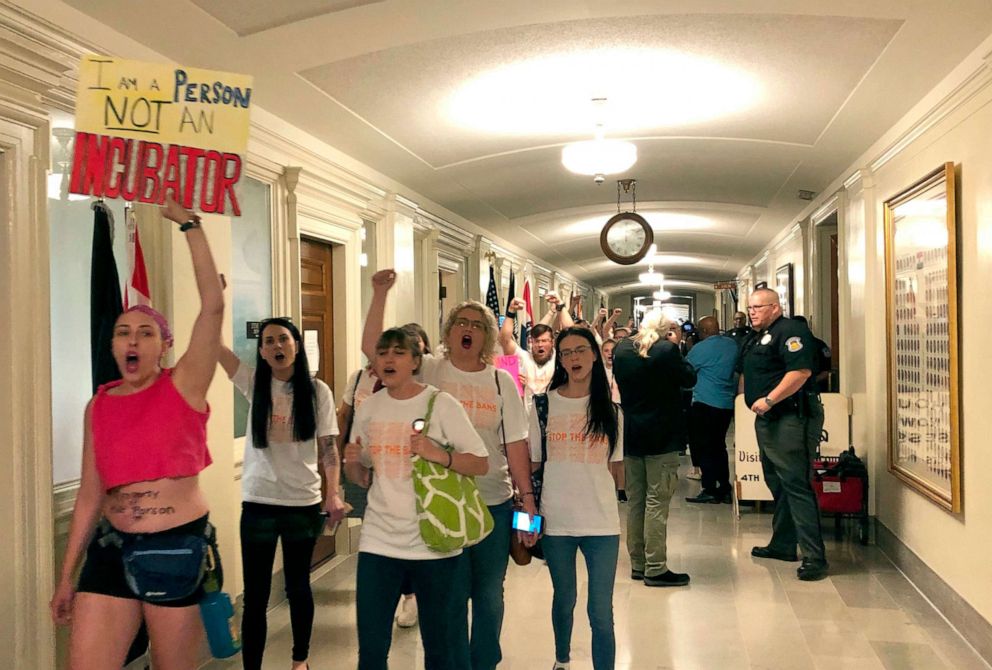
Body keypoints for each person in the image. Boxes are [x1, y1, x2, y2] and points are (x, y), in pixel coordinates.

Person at [50, 197, 224, 668]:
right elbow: (89, 494)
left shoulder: (183, 387)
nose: (132, 340)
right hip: (110, 552)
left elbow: (212, 307)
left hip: (176, 550)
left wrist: (188, 224)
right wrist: (67, 576)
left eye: (146, 332)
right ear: (112, 345)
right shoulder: (99, 405)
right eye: (123, 332)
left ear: (164, 347)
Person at [363, 270, 533, 670]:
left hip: (491, 501)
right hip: (438, 504)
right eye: (461, 322)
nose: (468, 329)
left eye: (477, 324)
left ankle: (484, 662)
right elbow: (374, 352)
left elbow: (516, 446)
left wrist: (528, 506)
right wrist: (380, 294)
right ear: (449, 331)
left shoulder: (501, 380)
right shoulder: (430, 370)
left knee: (489, 595)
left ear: (487, 336)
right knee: (449, 598)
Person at [344, 328, 489, 670]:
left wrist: (438, 454)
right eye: (382, 353)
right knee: (372, 649)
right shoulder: (369, 409)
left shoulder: (440, 404)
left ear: (415, 361)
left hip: (434, 544)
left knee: (440, 650)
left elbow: (480, 462)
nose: (388, 359)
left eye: (398, 353)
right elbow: (362, 473)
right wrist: (352, 463)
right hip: (379, 542)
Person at [219, 317, 345, 670]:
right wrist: (212, 303)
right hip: (258, 502)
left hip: (301, 503)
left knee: (298, 587)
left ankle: (299, 659)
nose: (277, 346)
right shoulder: (254, 383)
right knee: (255, 597)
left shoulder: (317, 391)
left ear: (296, 345)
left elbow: (329, 449)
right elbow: (218, 350)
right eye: (269, 341)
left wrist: (332, 493)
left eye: (283, 339)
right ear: (261, 351)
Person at [531, 327, 623, 670]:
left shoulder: (612, 412)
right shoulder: (543, 405)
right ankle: (562, 659)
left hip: (601, 522)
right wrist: (526, 513)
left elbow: (617, 471)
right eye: (566, 352)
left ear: (595, 355)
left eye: (580, 351)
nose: (573, 359)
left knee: (600, 610)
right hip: (556, 519)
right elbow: (534, 465)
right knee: (564, 597)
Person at [740, 288, 828, 581]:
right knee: (776, 481)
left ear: (775, 307)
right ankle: (783, 544)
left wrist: (769, 399)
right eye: (750, 307)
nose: (752, 312)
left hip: (790, 417)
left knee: (796, 484)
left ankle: (815, 557)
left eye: (758, 307)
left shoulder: (791, 331)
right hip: (769, 419)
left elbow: (800, 372)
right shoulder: (760, 335)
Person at [612, 310, 696, 587]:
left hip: (631, 434)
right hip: (662, 436)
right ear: (667, 329)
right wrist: (677, 344)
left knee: (635, 501)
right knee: (657, 502)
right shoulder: (665, 350)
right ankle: (656, 566)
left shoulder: (622, 349)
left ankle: (637, 562)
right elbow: (689, 379)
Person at [684, 316, 739, 504]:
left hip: (704, 402)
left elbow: (686, 371)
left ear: (704, 332)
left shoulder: (700, 348)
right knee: (719, 445)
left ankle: (709, 488)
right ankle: (724, 486)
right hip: (726, 403)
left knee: (704, 446)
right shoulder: (731, 345)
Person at [601, 338, 625, 501]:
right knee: (605, 451)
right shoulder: (599, 372)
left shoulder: (622, 370)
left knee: (619, 451)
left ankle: (621, 488)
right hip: (603, 410)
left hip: (619, 409)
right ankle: (608, 486)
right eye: (606, 350)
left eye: (612, 351)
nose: (609, 354)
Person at [792, 315, 832, 392]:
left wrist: (811, 382)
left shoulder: (819, 345)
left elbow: (826, 371)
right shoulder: (786, 346)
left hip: (816, 388)